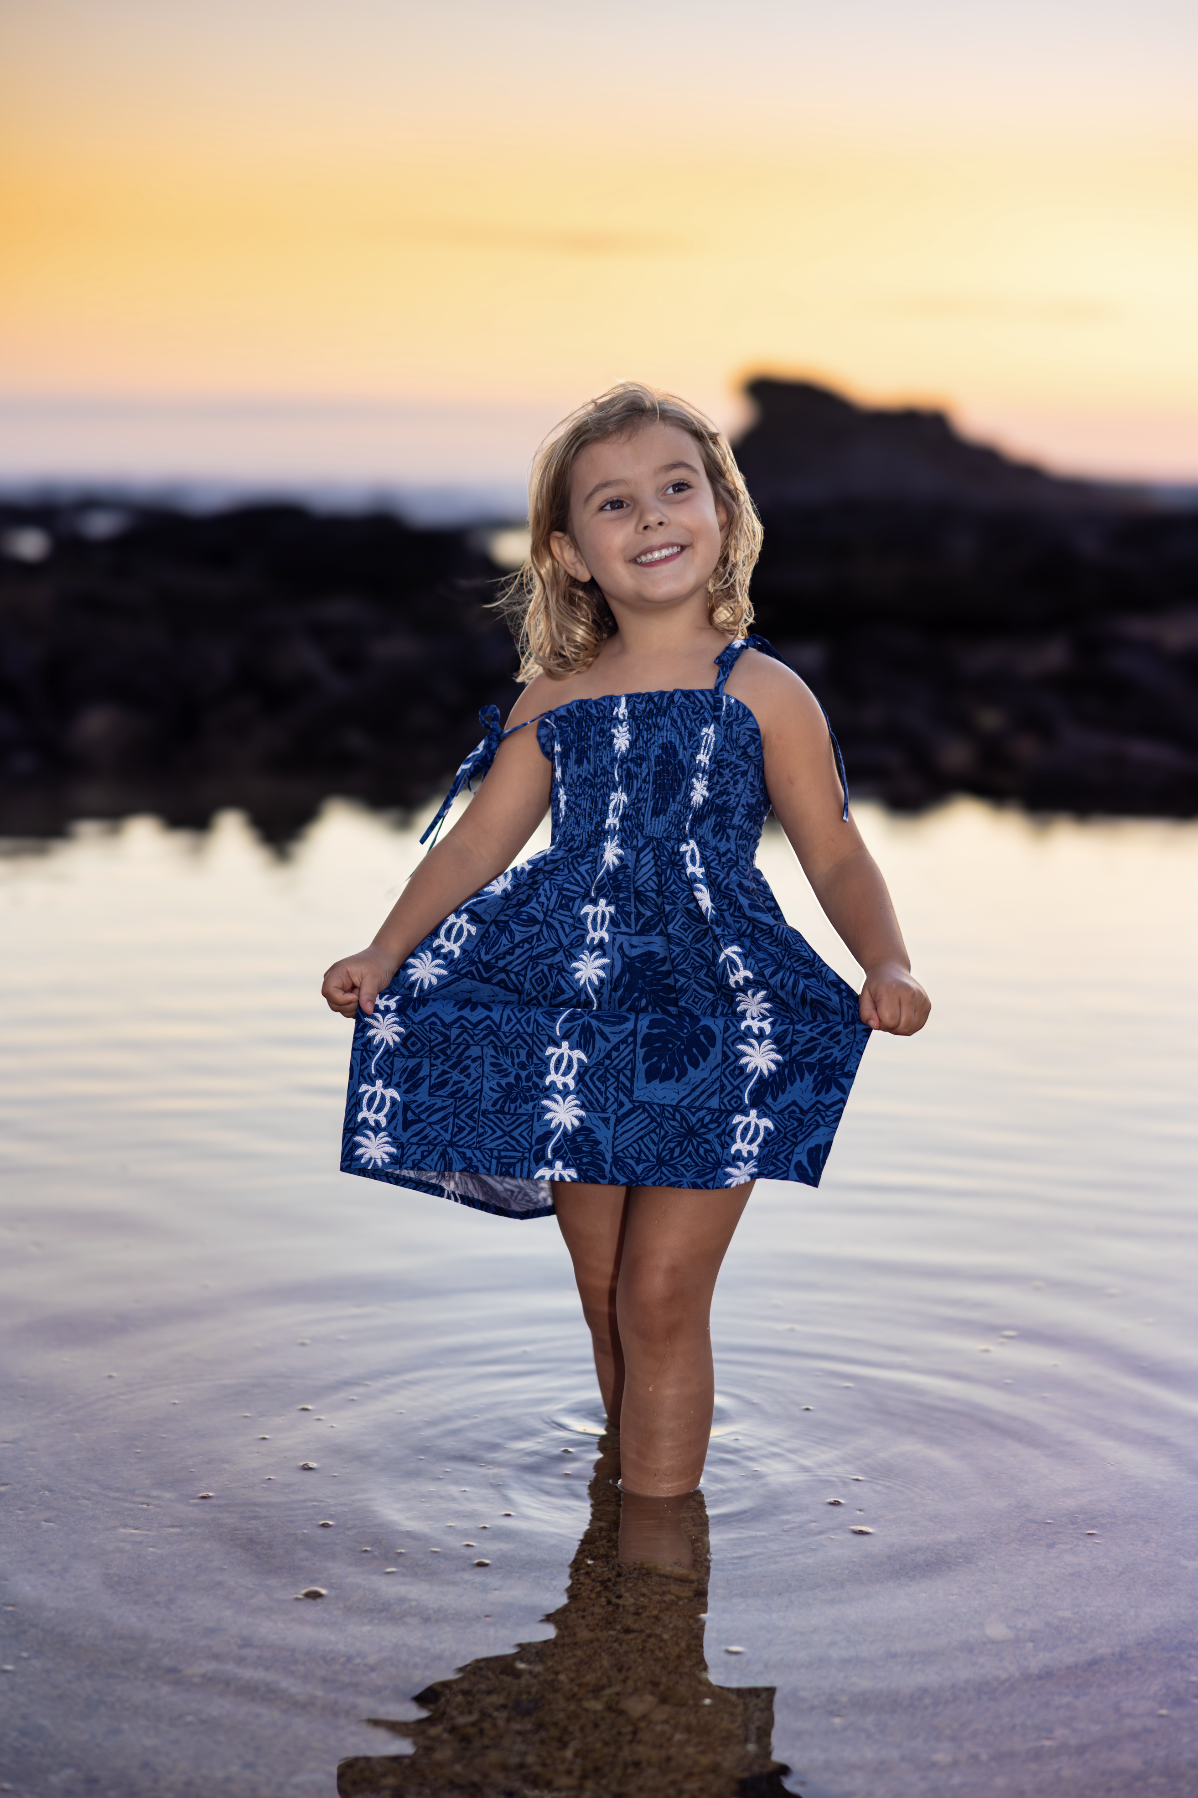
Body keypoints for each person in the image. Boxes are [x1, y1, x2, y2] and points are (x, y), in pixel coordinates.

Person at [321, 383, 929, 1566]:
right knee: (604, 1288)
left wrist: (887, 958)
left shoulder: (761, 691)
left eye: (675, 487)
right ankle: (624, 1506)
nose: (650, 516)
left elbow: (837, 847)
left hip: (717, 1009)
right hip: (570, 1006)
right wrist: (382, 952)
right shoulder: (553, 696)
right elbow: (478, 843)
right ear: (568, 551)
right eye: (613, 502)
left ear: (722, 510)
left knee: (659, 1294)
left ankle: (656, 1565)